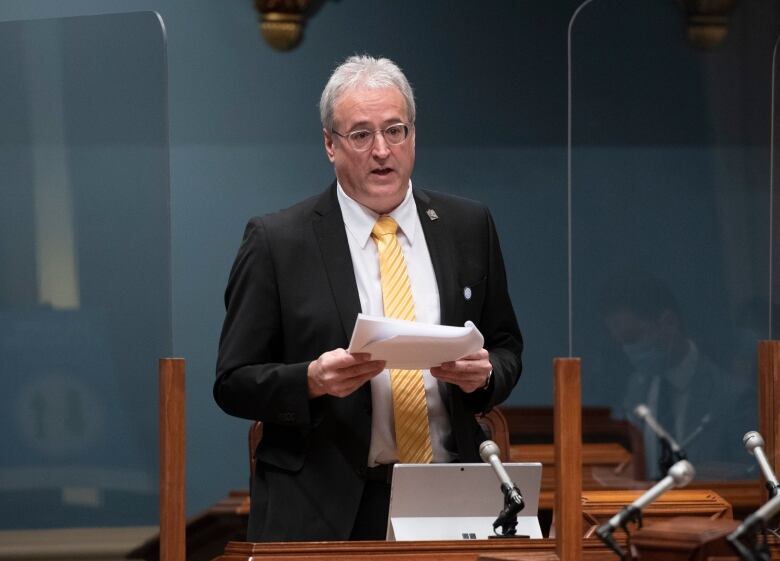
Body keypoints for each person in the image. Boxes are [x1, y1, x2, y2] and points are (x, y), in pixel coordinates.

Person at [214, 55, 523, 542]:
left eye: (395, 130)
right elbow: (232, 381)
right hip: (326, 507)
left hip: (450, 498)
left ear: (414, 136)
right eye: (360, 135)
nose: (382, 150)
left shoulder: (468, 226)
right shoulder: (278, 242)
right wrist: (311, 380)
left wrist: (483, 375)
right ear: (329, 145)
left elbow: (507, 348)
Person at [598, 270, 751, 480]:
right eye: (621, 342)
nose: (628, 350)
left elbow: (749, 476)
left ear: (669, 323)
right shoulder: (636, 387)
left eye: (633, 337)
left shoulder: (731, 397)